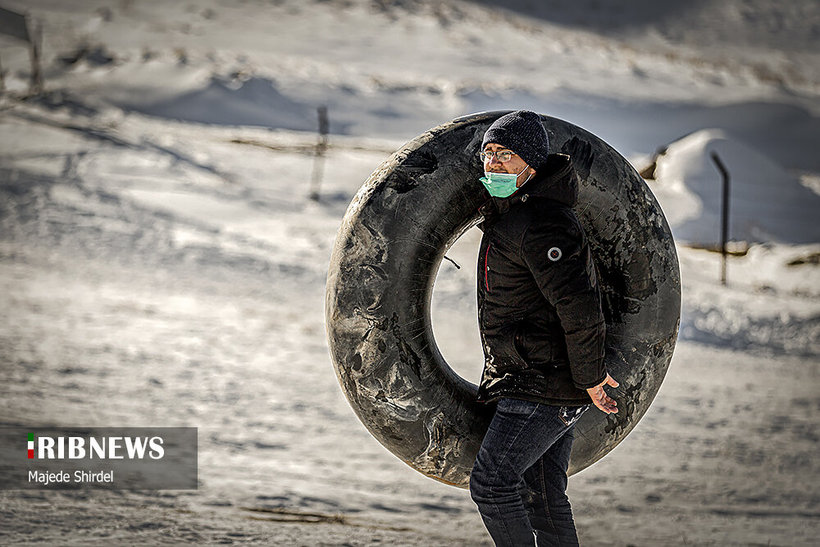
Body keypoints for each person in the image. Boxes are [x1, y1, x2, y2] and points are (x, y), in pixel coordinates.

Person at [469, 110, 619, 546]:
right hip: (538, 375)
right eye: (489, 154)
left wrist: (590, 377)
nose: (494, 164)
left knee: (492, 485)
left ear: (531, 165)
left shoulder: (543, 222)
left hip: (541, 382)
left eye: (506, 155)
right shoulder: (517, 213)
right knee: (545, 499)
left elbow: (578, 304)